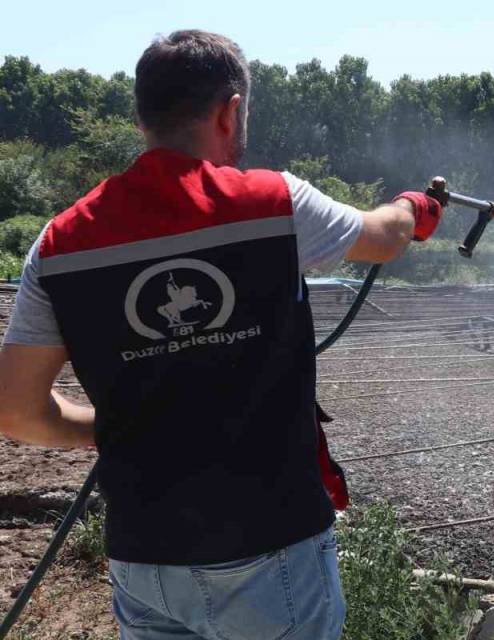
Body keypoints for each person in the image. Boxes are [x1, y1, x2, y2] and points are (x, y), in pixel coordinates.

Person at [0, 30, 443, 639]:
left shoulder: (60, 242)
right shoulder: (274, 202)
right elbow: (384, 236)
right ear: (231, 110)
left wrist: (117, 430)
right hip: (271, 548)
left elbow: (18, 412)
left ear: (141, 117)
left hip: (143, 555)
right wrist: (415, 206)